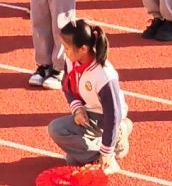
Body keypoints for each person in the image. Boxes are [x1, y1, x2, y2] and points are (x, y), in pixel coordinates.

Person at [49, 19, 130, 170]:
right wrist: (78, 108)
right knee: (60, 136)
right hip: (89, 111)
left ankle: (110, 148)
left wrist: (106, 152)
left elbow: (113, 115)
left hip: (106, 117)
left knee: (71, 154)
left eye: (66, 48)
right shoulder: (71, 59)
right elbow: (66, 85)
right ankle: (96, 154)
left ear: (83, 49)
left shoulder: (104, 76)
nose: (64, 51)